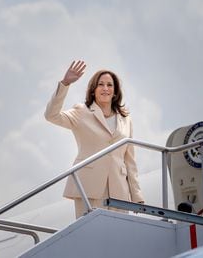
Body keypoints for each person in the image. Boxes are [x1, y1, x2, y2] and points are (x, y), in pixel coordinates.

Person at [45, 60, 144, 218]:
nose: (105, 88)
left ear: (115, 91)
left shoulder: (126, 119)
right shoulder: (81, 112)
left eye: (110, 85)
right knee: (91, 235)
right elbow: (51, 116)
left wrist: (137, 197)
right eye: (101, 84)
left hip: (119, 190)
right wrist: (65, 84)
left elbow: (130, 160)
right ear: (93, 90)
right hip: (88, 187)